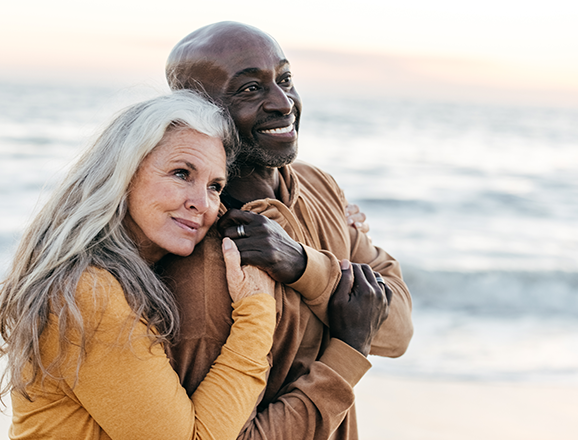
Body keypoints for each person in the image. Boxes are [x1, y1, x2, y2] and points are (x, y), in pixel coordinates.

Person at [157, 22, 414, 440]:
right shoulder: (201, 255)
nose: (283, 102)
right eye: (249, 89)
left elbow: (398, 332)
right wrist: (348, 346)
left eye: (285, 79)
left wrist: (302, 266)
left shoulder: (320, 187)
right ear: (197, 112)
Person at [0, 91, 279, 440]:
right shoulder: (89, 292)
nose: (202, 203)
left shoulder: (120, 275)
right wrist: (256, 309)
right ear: (122, 173)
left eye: (215, 186)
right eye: (181, 173)